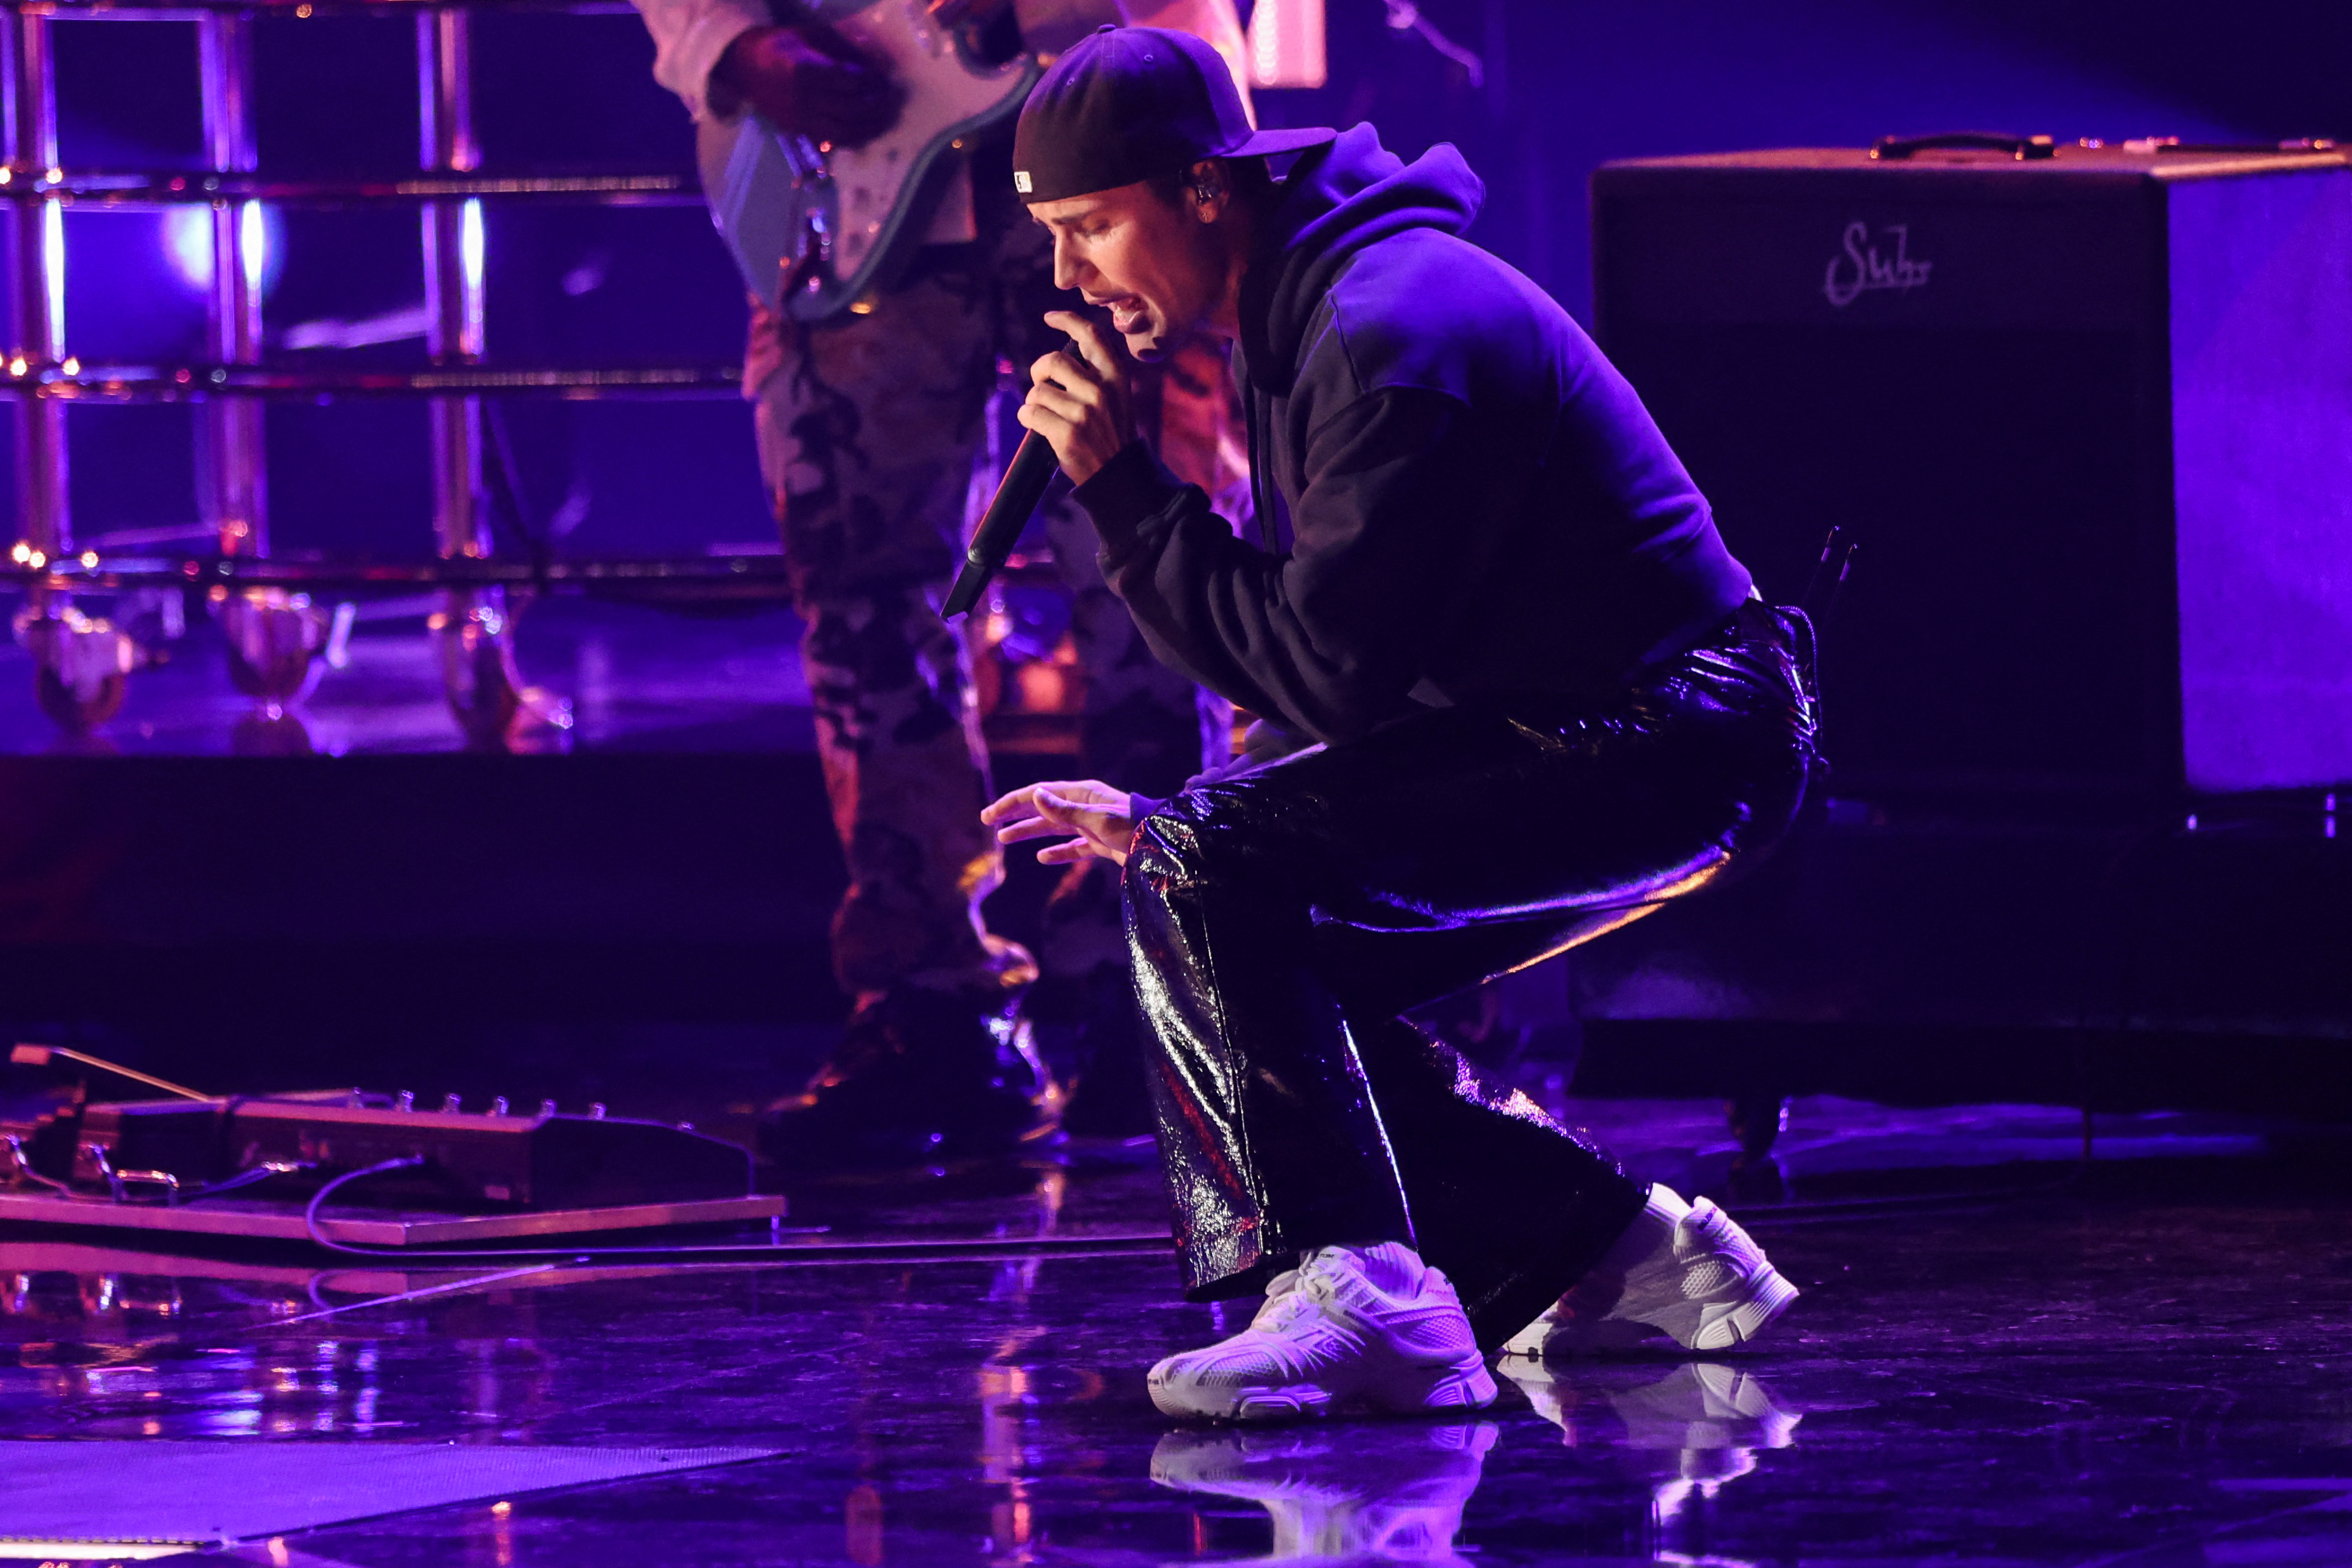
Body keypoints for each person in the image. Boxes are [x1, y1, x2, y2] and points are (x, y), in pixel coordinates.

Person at [982, 26, 1820, 1419]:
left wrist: (1126, 494)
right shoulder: (1299, 307)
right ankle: (1618, 1256)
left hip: (1676, 734)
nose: (1069, 276)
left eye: (1091, 229)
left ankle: (1360, 1288)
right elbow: (1339, 647)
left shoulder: (1388, 328)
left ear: (1204, 189)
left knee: (1218, 877)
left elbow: (1333, 671)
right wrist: (1182, 827)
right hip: (1585, 723)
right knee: (1226, 913)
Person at [625, 0, 1257, 1164]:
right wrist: (732, 46)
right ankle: (932, 1008)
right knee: (864, 612)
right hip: (853, 183)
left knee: (1159, 587)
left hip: (1111, 130)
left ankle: (1164, 994)